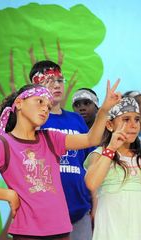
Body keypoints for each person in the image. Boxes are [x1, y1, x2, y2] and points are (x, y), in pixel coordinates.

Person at [0, 81, 121, 239]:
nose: (45, 109)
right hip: (27, 232)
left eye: (48, 107)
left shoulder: (51, 138)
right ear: (19, 103)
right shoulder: (3, 144)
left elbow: (91, 139)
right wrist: (8, 194)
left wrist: (104, 110)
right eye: (39, 102)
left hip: (60, 229)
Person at [29, 60, 93, 239]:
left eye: (60, 80)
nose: (56, 85)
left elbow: (90, 163)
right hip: (44, 213)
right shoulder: (32, 121)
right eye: (49, 81)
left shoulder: (77, 120)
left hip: (80, 210)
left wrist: (94, 202)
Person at [84, 97, 141, 239]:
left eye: (137, 119)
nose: (133, 125)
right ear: (109, 124)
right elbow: (91, 183)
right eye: (126, 119)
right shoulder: (99, 154)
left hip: (139, 231)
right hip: (110, 230)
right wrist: (112, 148)